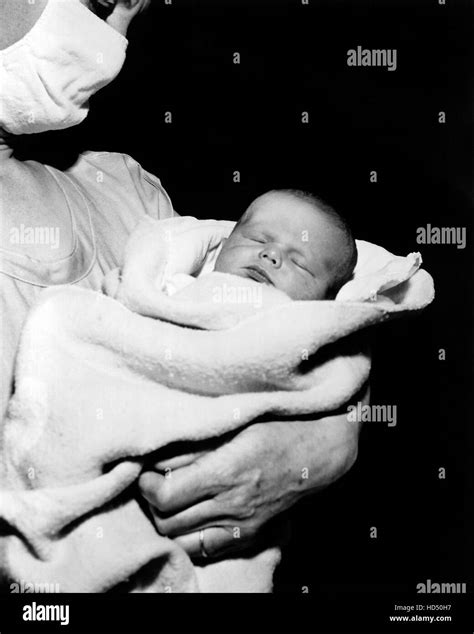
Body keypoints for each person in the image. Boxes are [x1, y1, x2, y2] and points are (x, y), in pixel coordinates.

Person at [0, 0, 367, 572]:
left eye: (131, 15)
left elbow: (265, 326)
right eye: (97, 5)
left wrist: (334, 431)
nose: (112, 46)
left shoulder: (127, 190)